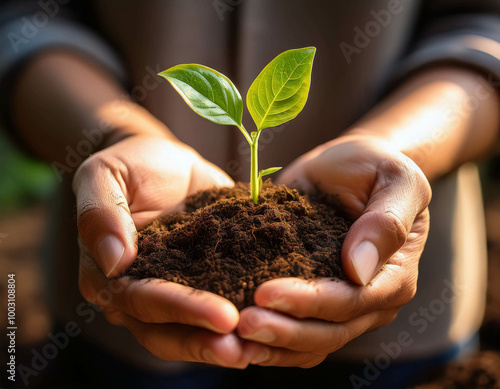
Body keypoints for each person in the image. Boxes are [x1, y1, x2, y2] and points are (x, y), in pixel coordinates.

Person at [1, 1, 499, 387]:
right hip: (125, 328)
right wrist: (114, 138)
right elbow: (23, 16)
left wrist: (392, 153)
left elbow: (484, 23)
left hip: (395, 339)